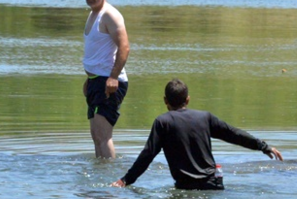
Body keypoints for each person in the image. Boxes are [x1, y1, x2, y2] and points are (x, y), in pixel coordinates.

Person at [111, 79, 283, 190]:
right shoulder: (205, 118)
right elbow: (234, 134)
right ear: (188, 100)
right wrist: (263, 146)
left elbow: (147, 155)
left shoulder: (163, 122)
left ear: (165, 101)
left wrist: (125, 180)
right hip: (213, 184)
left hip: (186, 187)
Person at [82, 0, 130, 158]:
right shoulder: (93, 14)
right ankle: (99, 178)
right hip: (96, 80)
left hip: (109, 82)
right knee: (96, 136)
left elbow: (124, 47)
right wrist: (89, 78)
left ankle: (110, 181)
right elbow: (97, 52)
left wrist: (113, 77)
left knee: (103, 136)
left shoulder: (110, 15)